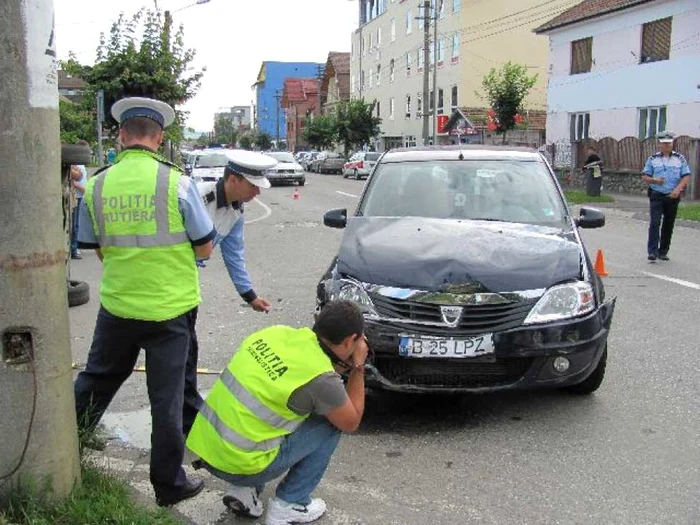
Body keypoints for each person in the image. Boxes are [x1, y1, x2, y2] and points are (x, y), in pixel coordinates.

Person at [74, 96, 216, 506]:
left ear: (121, 135)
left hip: (118, 307)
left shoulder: (98, 183)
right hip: (170, 311)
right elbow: (205, 248)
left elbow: (94, 247)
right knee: (166, 399)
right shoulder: (177, 183)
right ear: (159, 137)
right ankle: (169, 485)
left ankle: (66, 450)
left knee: (96, 381)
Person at [186, 300, 368, 525]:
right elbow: (350, 421)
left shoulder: (277, 333)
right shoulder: (320, 379)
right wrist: (358, 366)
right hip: (240, 466)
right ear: (351, 340)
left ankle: (244, 490)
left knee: (271, 412)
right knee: (331, 424)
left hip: (207, 450)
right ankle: (290, 503)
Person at [182, 150, 278, 437]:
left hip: (186, 283)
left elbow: (233, 254)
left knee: (188, 350)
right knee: (178, 350)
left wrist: (250, 296)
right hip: (166, 281)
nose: (257, 192)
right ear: (233, 179)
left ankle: (188, 415)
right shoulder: (196, 198)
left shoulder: (236, 209)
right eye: (253, 185)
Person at [641, 130, 691, 261]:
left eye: (669, 143)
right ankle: (652, 251)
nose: (667, 145)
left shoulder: (679, 158)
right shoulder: (653, 159)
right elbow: (645, 176)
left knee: (668, 224)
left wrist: (678, 189)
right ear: (659, 144)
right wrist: (655, 180)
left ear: (672, 144)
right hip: (657, 194)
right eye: (664, 143)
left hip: (672, 196)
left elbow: (686, 176)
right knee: (655, 223)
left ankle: (663, 251)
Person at [70, 157, 88, 259]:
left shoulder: (80, 166)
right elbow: (78, 179)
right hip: (76, 197)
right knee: (75, 225)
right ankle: (74, 248)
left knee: (77, 224)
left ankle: (75, 247)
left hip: (80, 197)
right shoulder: (74, 165)